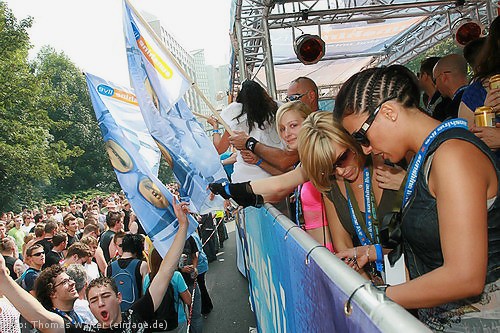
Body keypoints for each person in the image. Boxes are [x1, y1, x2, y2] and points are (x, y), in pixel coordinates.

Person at [334, 65, 499, 331]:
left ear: (388, 113)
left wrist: (375, 298)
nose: (364, 148)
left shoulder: (452, 156)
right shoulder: (423, 158)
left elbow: (465, 276)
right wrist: (370, 251)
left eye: (361, 136)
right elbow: (430, 233)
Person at [0, 197, 190, 333]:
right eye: (93, 300)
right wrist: (4, 278)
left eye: (105, 296)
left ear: (118, 297)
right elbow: (44, 319)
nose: (100, 303)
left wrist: (183, 225)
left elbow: (165, 271)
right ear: (89, 307)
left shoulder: (137, 316)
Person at [207, 79, 284, 181]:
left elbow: (219, 149)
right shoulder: (277, 114)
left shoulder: (236, 121)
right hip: (276, 176)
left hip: (245, 179)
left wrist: (215, 128)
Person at [106, 234, 149, 311]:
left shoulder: (109, 267)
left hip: (115, 312)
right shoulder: (142, 265)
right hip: (135, 312)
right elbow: (145, 292)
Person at [432, 54, 468, 120]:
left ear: (443, 77)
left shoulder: (455, 108)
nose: (436, 86)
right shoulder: (480, 92)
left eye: (435, 80)